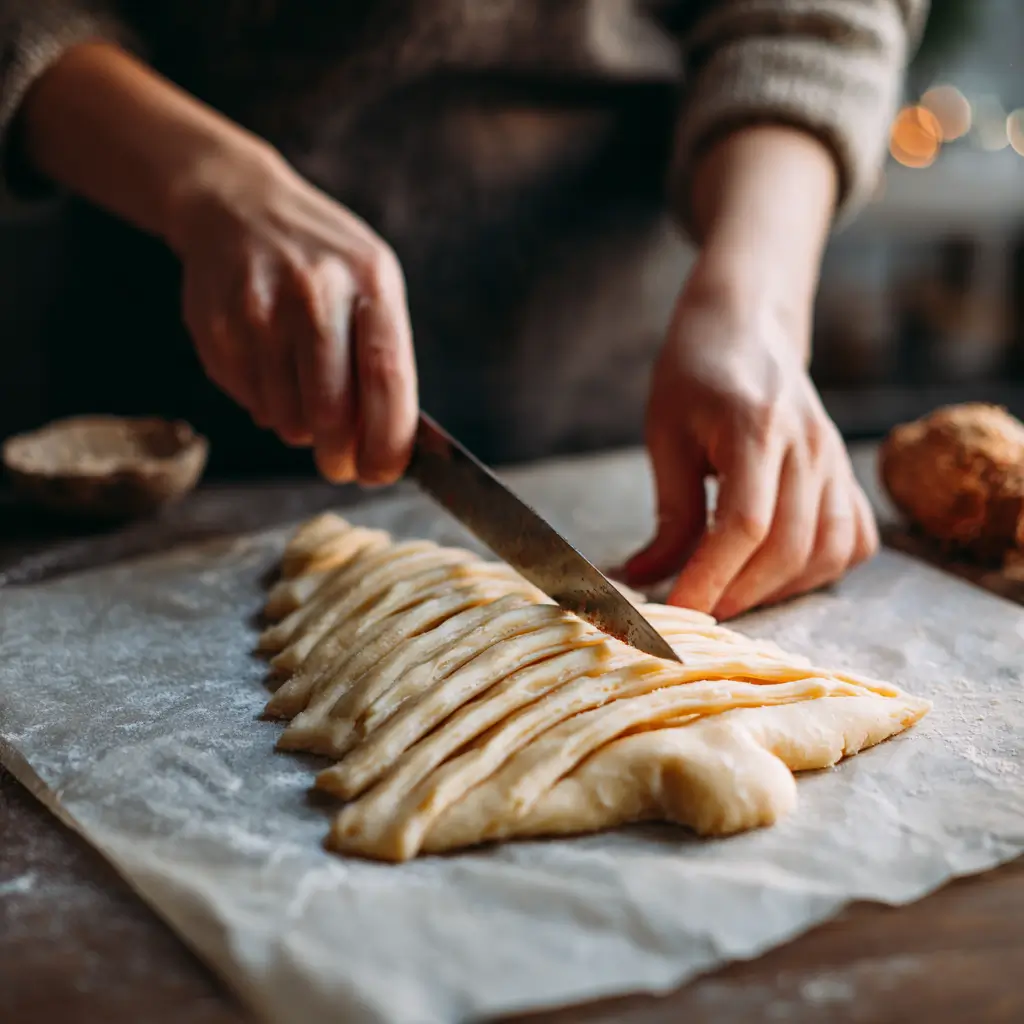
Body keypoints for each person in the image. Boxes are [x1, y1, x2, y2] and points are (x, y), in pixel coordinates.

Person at [0, 1, 926, 618]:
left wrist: (754, 298)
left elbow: (816, 14)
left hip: (627, 417)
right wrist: (199, 179)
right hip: (168, 432)